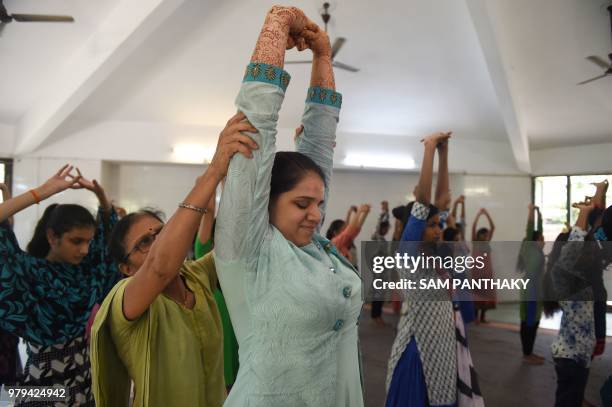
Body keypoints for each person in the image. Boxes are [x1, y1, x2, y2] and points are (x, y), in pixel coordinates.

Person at [214, 6, 363, 406]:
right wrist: (279, 21)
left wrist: (323, 56)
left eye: (318, 202)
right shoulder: (249, 250)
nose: (317, 214)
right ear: (265, 199)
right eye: (302, 203)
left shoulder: (315, 248)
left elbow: (318, 145)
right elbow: (257, 122)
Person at [90, 114, 258, 407]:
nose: (156, 244)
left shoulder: (196, 275)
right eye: (144, 243)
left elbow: (237, 242)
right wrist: (213, 170)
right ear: (126, 268)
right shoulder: (124, 300)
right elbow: (158, 266)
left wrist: (235, 180)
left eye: (160, 233)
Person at [0, 166, 118, 406]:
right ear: (52, 237)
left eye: (88, 242)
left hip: (82, 381)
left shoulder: (88, 274)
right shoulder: (30, 274)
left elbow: (107, 244)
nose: (84, 250)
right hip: (40, 384)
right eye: (76, 241)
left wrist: (103, 200)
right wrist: (41, 192)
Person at [386, 131, 458, 407]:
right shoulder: (408, 253)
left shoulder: (433, 258)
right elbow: (424, 201)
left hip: (440, 347)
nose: (438, 230)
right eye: (430, 226)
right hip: (418, 351)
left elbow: (443, 200)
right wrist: (429, 149)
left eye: (438, 224)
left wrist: (445, 153)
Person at [517, 204, 545, 365]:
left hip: (537, 290)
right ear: (534, 241)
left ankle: (530, 352)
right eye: (541, 239)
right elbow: (529, 230)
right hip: (530, 291)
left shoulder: (539, 251)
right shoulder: (529, 248)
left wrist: (539, 214)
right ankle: (526, 354)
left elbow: (538, 230)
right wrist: (530, 211)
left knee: (534, 322)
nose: (543, 241)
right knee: (528, 322)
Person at [471, 207, 496, 323]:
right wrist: (478, 215)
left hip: (487, 273)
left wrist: (486, 214)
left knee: (486, 294)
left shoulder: (487, 243)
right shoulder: (475, 242)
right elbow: (473, 227)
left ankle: (483, 317)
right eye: (484, 234)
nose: (486, 236)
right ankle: (475, 317)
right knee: (477, 294)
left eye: (487, 235)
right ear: (479, 235)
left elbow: (493, 227)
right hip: (477, 273)